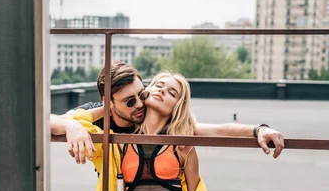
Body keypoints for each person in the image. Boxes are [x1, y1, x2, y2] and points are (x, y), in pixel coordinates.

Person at [63, 71, 222, 191]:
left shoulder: (182, 146)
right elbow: (67, 120)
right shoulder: (118, 143)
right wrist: (106, 109)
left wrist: (257, 130)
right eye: (159, 86)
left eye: (172, 92)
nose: (162, 91)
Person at [50, 62, 285, 165]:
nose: (138, 105)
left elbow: (217, 129)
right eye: (129, 102)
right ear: (109, 102)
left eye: (142, 94)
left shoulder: (166, 122)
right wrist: (71, 126)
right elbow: (46, 120)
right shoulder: (96, 115)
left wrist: (259, 129)